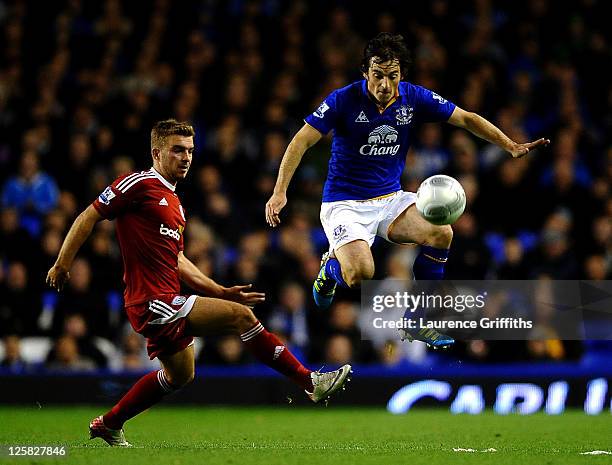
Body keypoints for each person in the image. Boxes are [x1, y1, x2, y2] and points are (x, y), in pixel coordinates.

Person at [47, 119, 351, 447]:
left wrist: (217, 290)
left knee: (180, 375)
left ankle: (109, 423)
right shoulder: (137, 184)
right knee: (241, 317)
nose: (186, 157)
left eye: (190, 151)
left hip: (164, 298)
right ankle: (309, 381)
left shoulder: (174, 202)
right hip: (151, 299)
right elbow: (88, 216)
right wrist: (63, 263)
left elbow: (178, 261)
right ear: (157, 153)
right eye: (177, 150)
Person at [265, 33, 549, 347]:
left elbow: (466, 119)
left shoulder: (414, 98)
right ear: (365, 73)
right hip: (344, 204)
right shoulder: (342, 100)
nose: (384, 84)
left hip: (390, 199)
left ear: (401, 76)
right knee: (361, 273)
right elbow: (300, 141)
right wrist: (280, 191)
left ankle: (415, 321)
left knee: (442, 233)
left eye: (392, 76)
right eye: (377, 75)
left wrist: (509, 145)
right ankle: (329, 270)